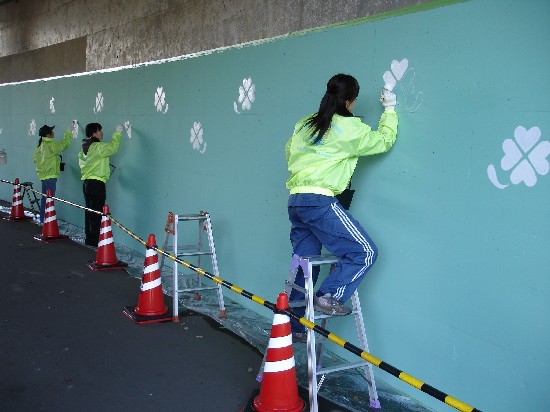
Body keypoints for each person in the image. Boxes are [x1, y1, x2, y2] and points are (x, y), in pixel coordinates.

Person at [285, 74, 398, 342]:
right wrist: (390, 109)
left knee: (306, 265)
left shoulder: (304, 124)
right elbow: (383, 141)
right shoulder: (349, 127)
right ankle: (330, 296)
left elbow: (290, 151)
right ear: (351, 101)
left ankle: (294, 328)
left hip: (296, 200)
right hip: (320, 201)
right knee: (366, 252)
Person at [78, 123, 123, 247]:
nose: (101, 133)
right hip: (97, 184)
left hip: (87, 183)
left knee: (89, 212)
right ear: (93, 133)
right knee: (97, 214)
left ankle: (89, 240)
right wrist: (118, 133)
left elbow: (82, 164)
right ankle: (95, 242)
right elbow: (113, 148)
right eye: (99, 131)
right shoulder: (97, 146)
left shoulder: (85, 147)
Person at [33, 124, 72, 223]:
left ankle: (43, 220)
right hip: (50, 176)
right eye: (51, 131)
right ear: (48, 134)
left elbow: (35, 159)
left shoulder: (40, 145)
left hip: (43, 176)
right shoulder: (51, 144)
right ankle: (48, 223)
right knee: (50, 199)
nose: (53, 132)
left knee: (44, 199)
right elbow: (63, 145)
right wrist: (68, 133)